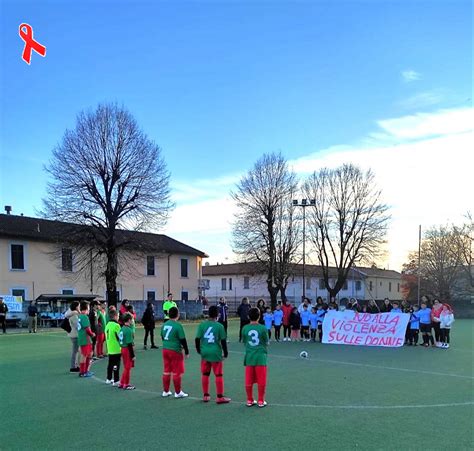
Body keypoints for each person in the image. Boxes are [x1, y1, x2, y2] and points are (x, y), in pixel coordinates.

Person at [195, 305, 230, 404]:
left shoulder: (202, 325)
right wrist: (226, 353)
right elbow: (223, 341)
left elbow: (197, 339)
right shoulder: (219, 326)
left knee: (205, 374)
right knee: (218, 375)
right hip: (215, 353)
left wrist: (198, 350)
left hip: (205, 352)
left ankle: (206, 395)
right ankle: (220, 397)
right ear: (217, 315)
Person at [241, 307, 269, 408]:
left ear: (248, 316)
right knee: (261, 379)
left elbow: (244, 341)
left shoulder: (245, 328)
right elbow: (266, 342)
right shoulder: (263, 328)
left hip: (249, 357)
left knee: (248, 379)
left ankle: (249, 400)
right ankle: (261, 400)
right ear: (259, 316)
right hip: (260, 357)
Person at [160, 306, 189, 398]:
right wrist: (187, 351)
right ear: (178, 314)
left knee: (166, 371)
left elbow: (162, 336)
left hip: (165, 349)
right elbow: (183, 340)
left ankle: (166, 391)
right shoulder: (178, 325)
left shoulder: (164, 325)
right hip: (175, 351)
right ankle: (178, 392)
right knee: (177, 372)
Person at [77, 301, 95, 377]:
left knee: (88, 354)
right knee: (85, 355)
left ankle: (85, 371)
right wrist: (92, 334)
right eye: (88, 307)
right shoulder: (84, 317)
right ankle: (83, 372)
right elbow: (87, 329)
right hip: (85, 338)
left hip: (82, 337)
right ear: (86, 308)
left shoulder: (79, 316)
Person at [118, 313, 136, 390]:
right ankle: (126, 384)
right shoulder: (128, 330)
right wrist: (133, 355)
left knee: (126, 367)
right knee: (127, 367)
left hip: (123, 349)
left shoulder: (122, 328)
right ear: (129, 320)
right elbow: (129, 344)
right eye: (132, 319)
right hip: (127, 350)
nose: (132, 321)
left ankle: (122, 383)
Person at [105, 309, 122, 385]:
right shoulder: (116, 325)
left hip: (110, 348)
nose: (118, 317)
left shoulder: (107, 325)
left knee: (110, 364)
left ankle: (108, 378)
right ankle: (116, 380)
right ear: (115, 316)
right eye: (118, 315)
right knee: (116, 365)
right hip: (116, 348)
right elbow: (120, 337)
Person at [65, 301, 80, 372]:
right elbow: (77, 325)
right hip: (75, 334)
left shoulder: (71, 314)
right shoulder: (74, 315)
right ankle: (73, 366)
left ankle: (75, 365)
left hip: (72, 334)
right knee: (75, 351)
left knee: (75, 351)